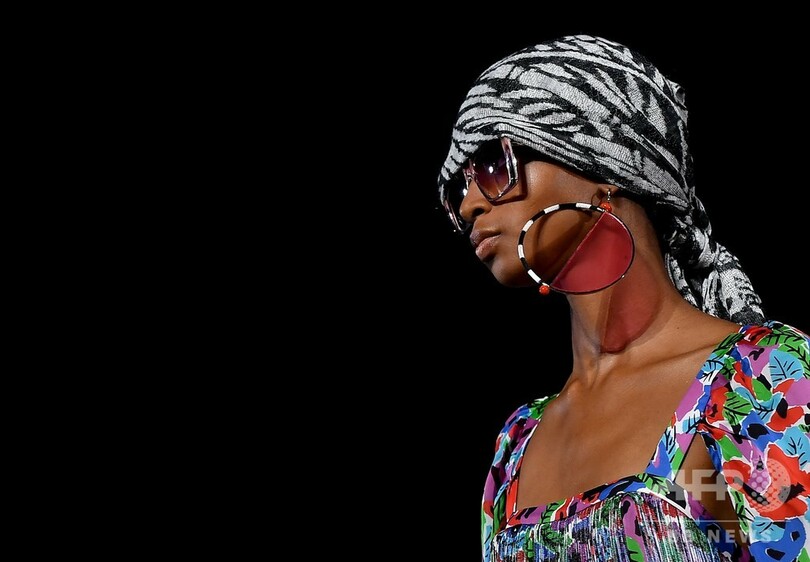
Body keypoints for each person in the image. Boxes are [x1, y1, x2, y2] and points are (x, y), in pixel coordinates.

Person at [436, 35, 810, 562]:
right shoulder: (517, 444)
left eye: (495, 164)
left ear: (605, 165)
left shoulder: (756, 379)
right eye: (459, 189)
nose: (470, 204)